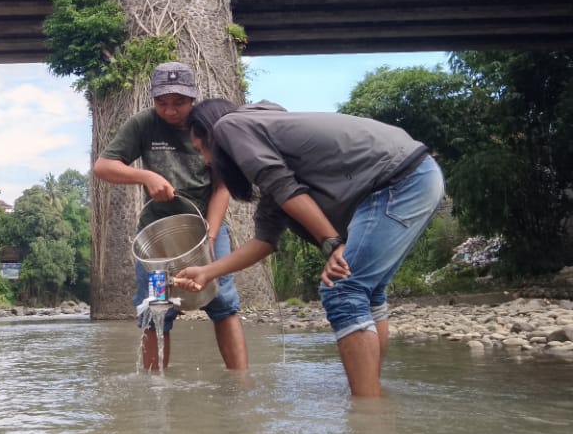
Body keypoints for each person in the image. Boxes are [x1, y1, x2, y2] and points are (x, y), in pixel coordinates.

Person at [175, 98, 445, 396]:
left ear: (212, 135)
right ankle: (373, 399)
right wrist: (207, 272)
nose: (206, 162)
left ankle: (369, 413)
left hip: (398, 182)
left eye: (202, 149)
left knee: (343, 288)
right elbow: (264, 242)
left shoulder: (229, 126)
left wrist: (331, 242)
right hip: (419, 175)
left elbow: (283, 185)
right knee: (367, 292)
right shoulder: (273, 158)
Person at [92, 62, 248, 371]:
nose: (170, 110)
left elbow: (222, 186)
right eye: (162, 103)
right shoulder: (144, 124)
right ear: (153, 100)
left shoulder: (208, 126)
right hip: (157, 238)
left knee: (224, 304)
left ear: (192, 98)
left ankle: (239, 381)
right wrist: (145, 176)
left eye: (179, 103)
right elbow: (103, 166)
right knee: (156, 310)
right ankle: (155, 386)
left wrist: (211, 236)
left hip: (206, 228)